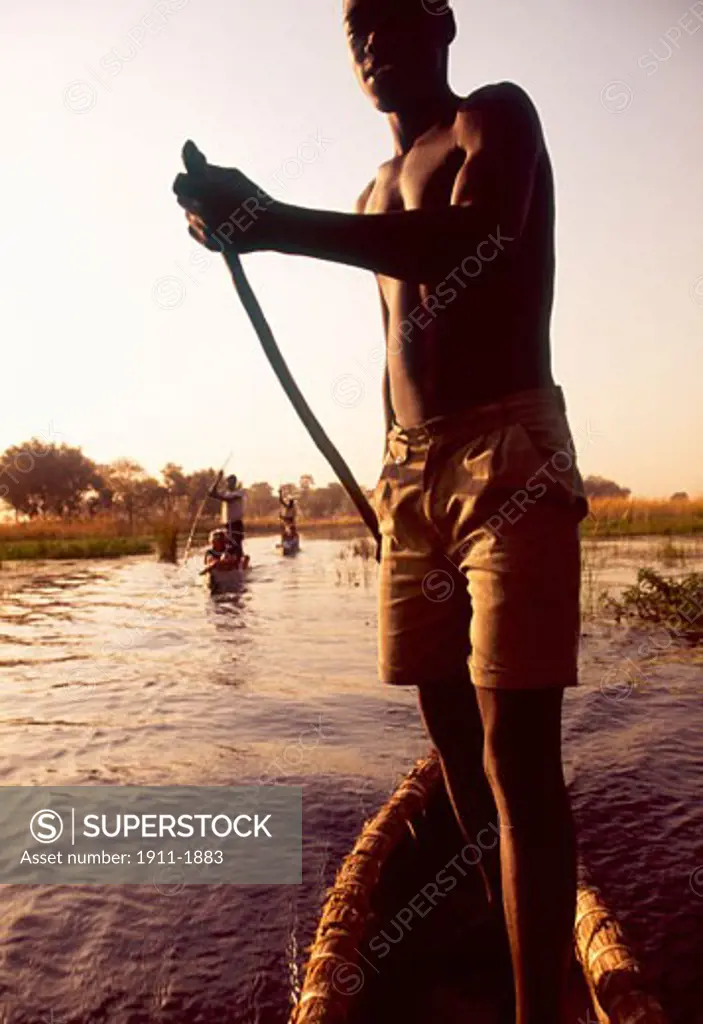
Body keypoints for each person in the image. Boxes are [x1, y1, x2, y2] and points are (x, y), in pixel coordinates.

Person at [174, 3, 588, 1019]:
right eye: (355, 23)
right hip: (411, 475)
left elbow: (476, 240)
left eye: (395, 14)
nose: (372, 37)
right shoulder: (369, 189)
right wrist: (399, 479)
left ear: (443, 20)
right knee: (452, 743)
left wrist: (268, 223)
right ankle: (507, 951)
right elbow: (404, 344)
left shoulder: (495, 117)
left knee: (515, 759)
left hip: (508, 456)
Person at [209, 473, 246, 557]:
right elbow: (211, 493)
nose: (229, 484)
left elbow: (228, 499)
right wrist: (218, 479)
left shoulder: (239, 492)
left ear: (235, 482)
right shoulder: (225, 492)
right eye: (228, 482)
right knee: (227, 543)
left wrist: (218, 496)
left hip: (236, 522)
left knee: (237, 543)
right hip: (227, 523)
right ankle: (227, 559)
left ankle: (239, 560)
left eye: (232, 482)